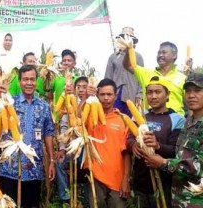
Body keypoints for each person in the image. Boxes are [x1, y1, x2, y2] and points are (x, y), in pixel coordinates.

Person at [141, 71, 203, 207]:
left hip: (197, 201)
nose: (191, 95)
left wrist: (163, 162)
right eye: (188, 91)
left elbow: (199, 166)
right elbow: (180, 153)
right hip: (178, 199)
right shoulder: (188, 122)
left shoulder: (179, 120)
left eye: (197, 90)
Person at [0, 65, 55, 208]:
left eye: (32, 79)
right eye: (25, 79)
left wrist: (52, 160)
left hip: (33, 169)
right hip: (11, 168)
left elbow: (48, 132)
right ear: (19, 82)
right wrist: (1, 98)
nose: (29, 83)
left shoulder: (44, 106)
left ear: (36, 81)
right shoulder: (10, 103)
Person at [126, 76, 185, 208]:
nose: (153, 96)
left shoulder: (177, 119)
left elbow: (176, 150)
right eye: (150, 92)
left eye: (158, 92)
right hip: (140, 181)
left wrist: (158, 145)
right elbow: (129, 138)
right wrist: (132, 145)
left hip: (164, 182)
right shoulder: (140, 115)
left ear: (168, 95)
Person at [88, 78, 131, 207]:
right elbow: (77, 117)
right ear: (97, 95)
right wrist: (87, 98)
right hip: (95, 177)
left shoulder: (123, 119)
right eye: (102, 94)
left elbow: (126, 153)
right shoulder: (90, 116)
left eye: (109, 94)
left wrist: (126, 179)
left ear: (115, 96)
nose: (106, 98)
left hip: (117, 180)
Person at [124, 41, 186, 116]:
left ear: (174, 55)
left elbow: (190, 102)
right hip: (151, 121)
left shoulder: (182, 78)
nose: (160, 55)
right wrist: (128, 52)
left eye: (164, 52)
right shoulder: (146, 73)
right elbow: (128, 65)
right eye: (159, 53)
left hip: (176, 123)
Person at [55, 76, 90, 207]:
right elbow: (64, 126)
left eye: (84, 87)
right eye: (78, 87)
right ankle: (66, 198)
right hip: (72, 146)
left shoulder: (93, 103)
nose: (81, 90)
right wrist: (62, 148)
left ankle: (87, 200)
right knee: (59, 162)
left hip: (87, 148)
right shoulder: (69, 103)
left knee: (86, 167)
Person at [105, 26, 144, 117]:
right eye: (124, 37)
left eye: (129, 38)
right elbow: (108, 77)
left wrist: (140, 94)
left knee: (131, 122)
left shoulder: (138, 57)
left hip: (132, 94)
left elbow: (141, 78)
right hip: (116, 94)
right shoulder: (113, 57)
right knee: (115, 119)